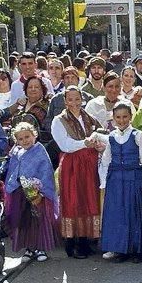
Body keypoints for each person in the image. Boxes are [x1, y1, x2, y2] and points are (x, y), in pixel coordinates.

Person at [99, 103, 142, 263]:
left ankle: (137, 250)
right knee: (118, 214)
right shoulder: (111, 137)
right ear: (114, 119)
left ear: (130, 117)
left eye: (125, 116)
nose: (122, 120)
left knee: (134, 212)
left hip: (134, 178)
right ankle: (120, 249)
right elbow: (106, 160)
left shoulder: (137, 135)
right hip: (116, 180)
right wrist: (103, 181)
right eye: (118, 117)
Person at [52, 88, 104, 259]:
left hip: (89, 164)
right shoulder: (59, 120)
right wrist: (85, 142)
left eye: (77, 99)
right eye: (70, 99)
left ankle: (86, 240)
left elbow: (102, 133)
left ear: (82, 99)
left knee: (90, 199)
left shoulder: (89, 117)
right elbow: (65, 144)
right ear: (65, 101)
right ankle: (72, 242)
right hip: (72, 165)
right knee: (74, 201)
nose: (74, 103)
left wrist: (97, 143)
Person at [3, 122, 59, 262]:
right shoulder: (16, 152)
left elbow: (46, 171)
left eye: (27, 137)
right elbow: (13, 171)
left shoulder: (39, 150)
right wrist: (15, 183)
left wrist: (41, 191)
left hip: (38, 193)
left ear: (34, 135)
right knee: (23, 220)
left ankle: (41, 248)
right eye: (20, 139)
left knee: (39, 219)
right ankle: (29, 248)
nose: (25, 141)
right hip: (20, 193)